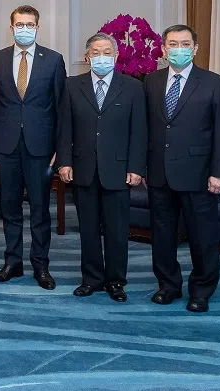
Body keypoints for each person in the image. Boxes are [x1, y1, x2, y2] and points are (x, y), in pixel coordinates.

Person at [144, 24, 220, 312]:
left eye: (184, 44)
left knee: (202, 236)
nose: (178, 49)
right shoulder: (151, 81)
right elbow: (146, 128)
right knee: (163, 234)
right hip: (159, 172)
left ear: (195, 48)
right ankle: (168, 286)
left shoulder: (213, 82)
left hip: (199, 174)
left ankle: (201, 290)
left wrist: (219, 173)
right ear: (163, 49)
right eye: (172, 44)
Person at [56, 32, 147, 303]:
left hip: (119, 170)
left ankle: (116, 281)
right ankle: (92, 279)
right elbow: (65, 128)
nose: (101, 56)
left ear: (116, 56)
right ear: (87, 57)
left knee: (117, 230)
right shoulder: (72, 86)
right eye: (96, 52)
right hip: (83, 168)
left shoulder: (132, 87)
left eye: (107, 51)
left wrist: (136, 167)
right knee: (88, 228)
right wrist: (64, 161)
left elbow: (139, 132)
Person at [0, 5, 66, 290]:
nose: (24, 28)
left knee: (40, 209)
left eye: (29, 24)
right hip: (6, 145)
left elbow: (61, 108)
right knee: (9, 207)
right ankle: (13, 262)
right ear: (11, 28)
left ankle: (40, 265)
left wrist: (60, 147)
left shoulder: (54, 61)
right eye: (19, 24)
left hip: (41, 146)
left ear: (38, 27)